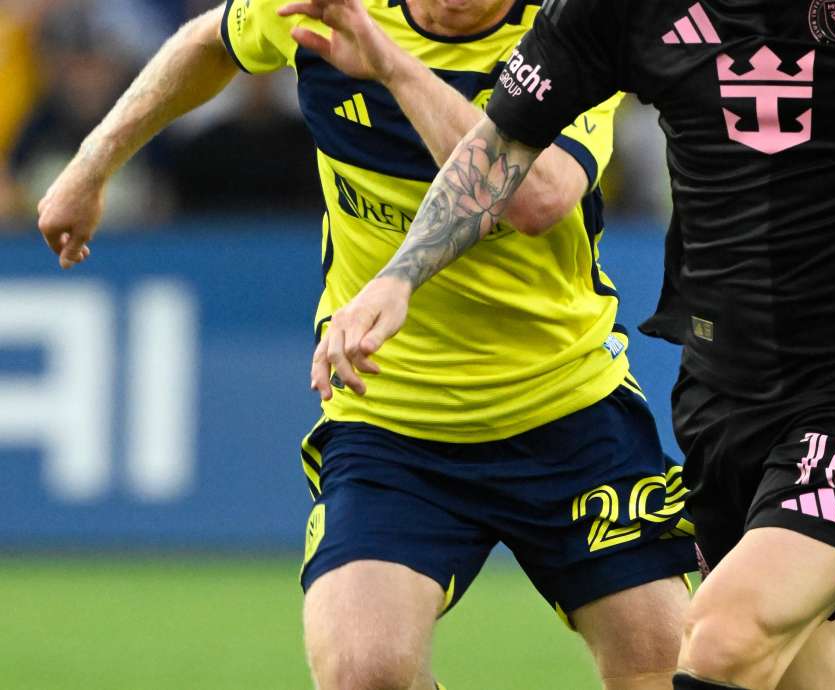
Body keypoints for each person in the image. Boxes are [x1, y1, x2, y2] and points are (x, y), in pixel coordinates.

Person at [305, 0, 835, 689]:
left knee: (722, 643)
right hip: (724, 394)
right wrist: (399, 276)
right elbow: (502, 143)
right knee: (809, 675)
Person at [35, 2, 698, 689]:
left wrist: (389, 64)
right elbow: (213, 40)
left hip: (567, 406)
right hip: (392, 419)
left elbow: (536, 196)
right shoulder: (326, 7)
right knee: (362, 670)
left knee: (662, 662)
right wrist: (93, 162)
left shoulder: (571, 23)